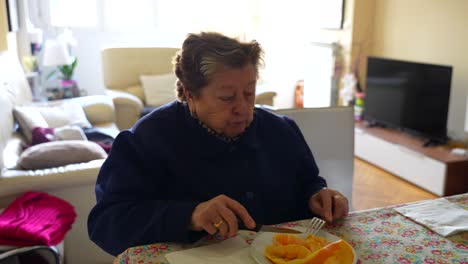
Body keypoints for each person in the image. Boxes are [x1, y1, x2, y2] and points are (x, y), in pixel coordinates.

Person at [88, 32, 349, 256]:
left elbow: (308, 182)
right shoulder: (147, 139)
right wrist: (190, 215)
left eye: (249, 92)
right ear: (190, 94)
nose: (244, 109)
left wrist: (318, 196)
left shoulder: (280, 130)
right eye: (227, 98)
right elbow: (107, 222)